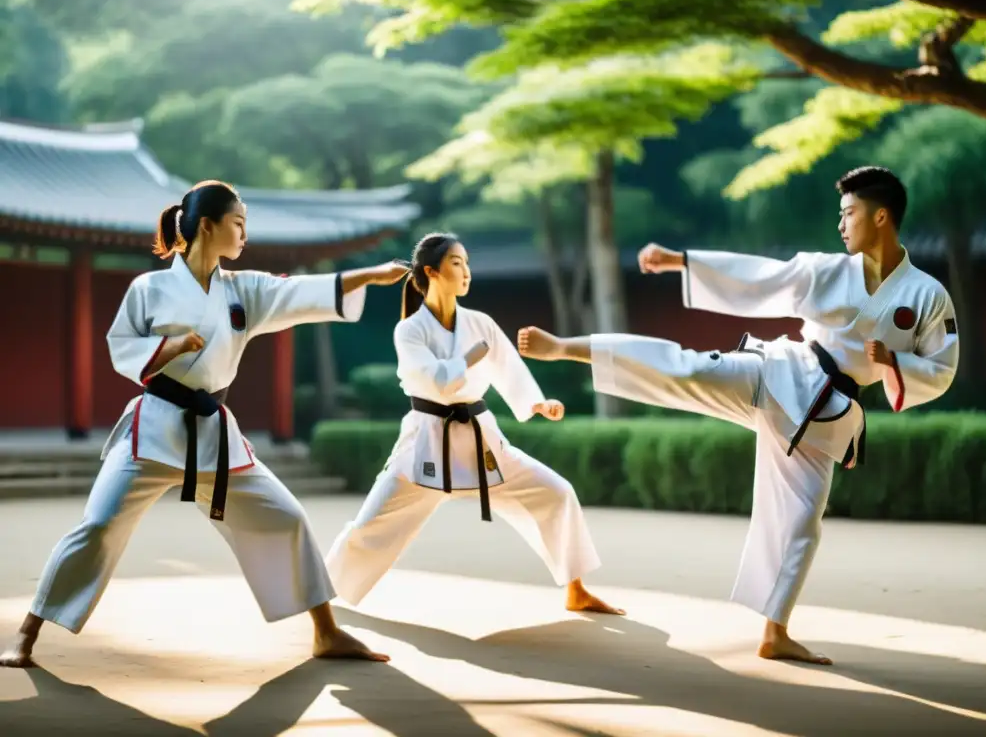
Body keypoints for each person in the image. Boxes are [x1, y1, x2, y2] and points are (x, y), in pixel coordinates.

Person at [517, 167, 959, 665]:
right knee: (685, 368)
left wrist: (895, 362)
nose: (841, 224)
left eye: (849, 214)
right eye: (840, 215)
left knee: (803, 521)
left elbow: (942, 366)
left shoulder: (926, 295)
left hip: (826, 413)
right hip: (781, 372)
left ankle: (775, 632)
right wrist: (681, 262)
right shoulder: (826, 270)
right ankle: (570, 348)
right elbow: (762, 276)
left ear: (881, 216)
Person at [0, 180, 407, 669]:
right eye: (238, 224)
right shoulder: (148, 288)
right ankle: (28, 633)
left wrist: (370, 275)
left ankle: (326, 632)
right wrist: (167, 349)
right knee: (99, 526)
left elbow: (295, 291)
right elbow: (120, 345)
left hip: (212, 434)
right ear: (207, 226)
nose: (244, 235)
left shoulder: (243, 290)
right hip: (152, 432)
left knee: (287, 516)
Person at [325, 232, 623, 616]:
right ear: (431, 272)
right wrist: (467, 359)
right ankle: (324, 594)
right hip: (426, 443)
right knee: (371, 523)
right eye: (456, 263)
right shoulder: (410, 330)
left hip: (482, 441)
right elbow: (433, 379)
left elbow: (508, 368)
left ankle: (577, 589)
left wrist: (537, 402)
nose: (466, 272)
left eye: (467, 263)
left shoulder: (479, 322)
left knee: (556, 492)